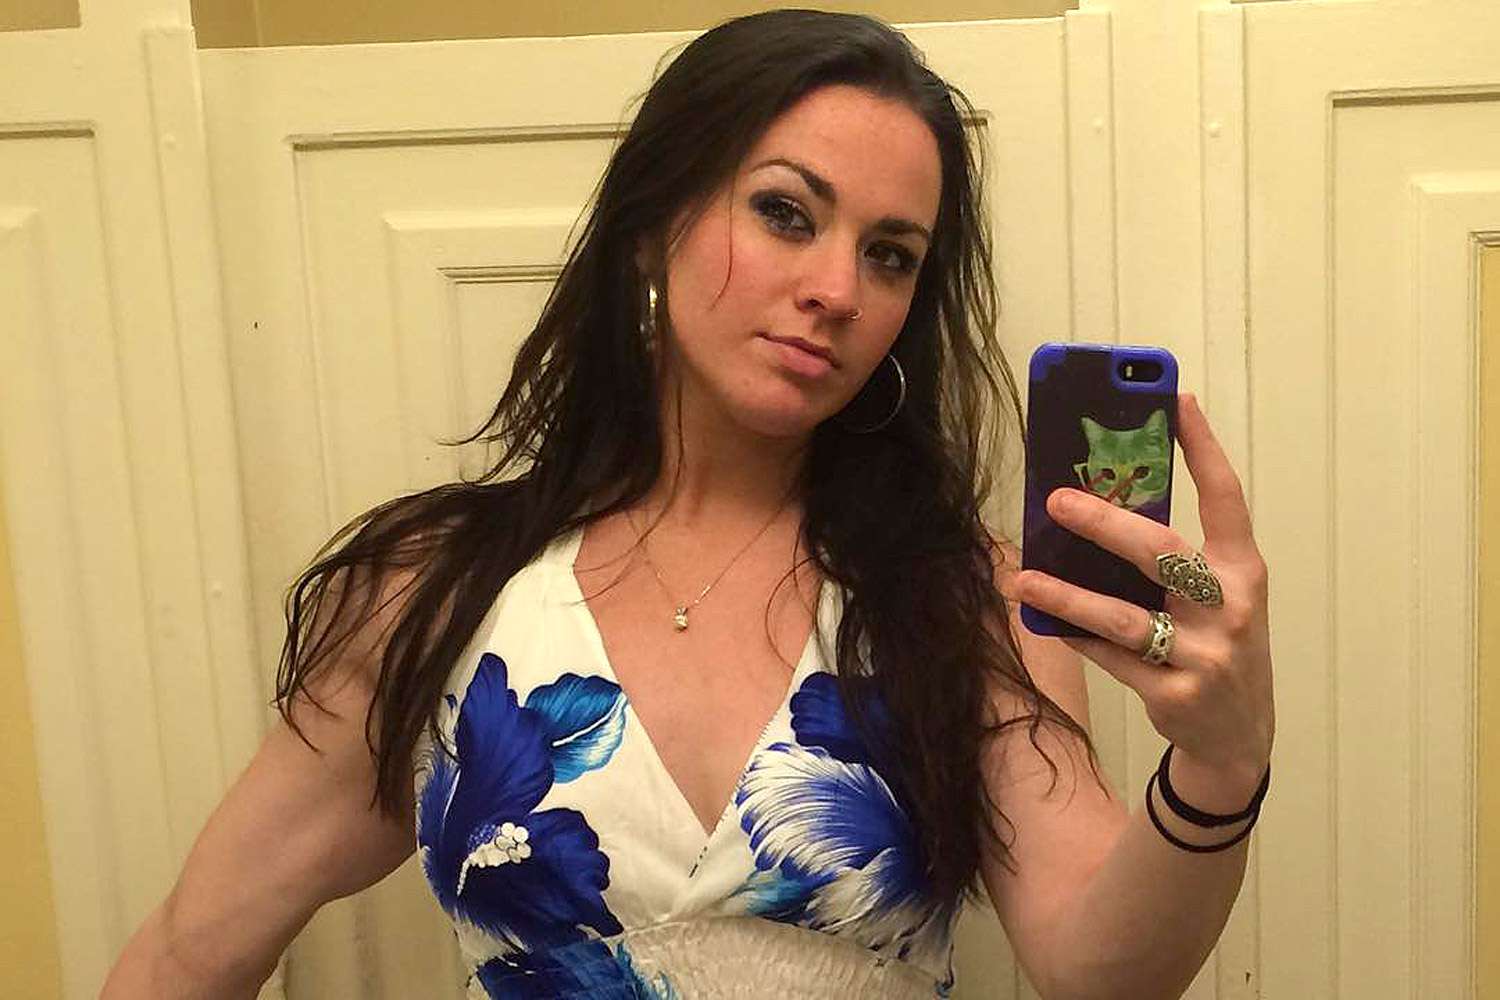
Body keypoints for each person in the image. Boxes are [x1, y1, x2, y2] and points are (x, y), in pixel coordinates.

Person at [102, 9, 1275, 999]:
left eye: (889, 255)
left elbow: (1102, 972)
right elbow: (187, 953)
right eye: (786, 212)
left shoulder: (962, 598)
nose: (836, 288)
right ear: (654, 221)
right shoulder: (435, 592)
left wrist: (1219, 768)